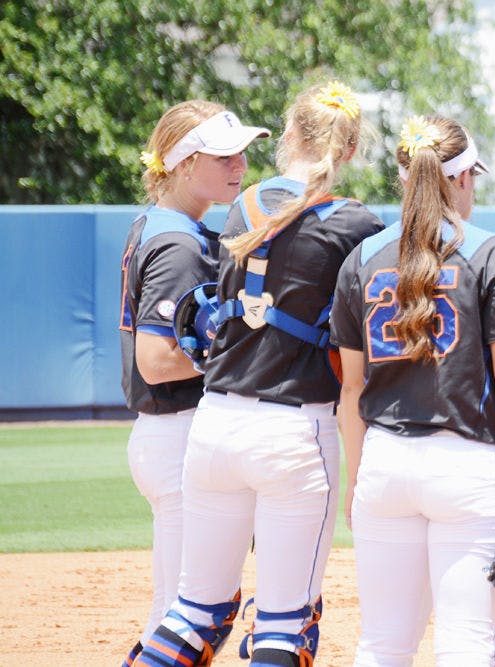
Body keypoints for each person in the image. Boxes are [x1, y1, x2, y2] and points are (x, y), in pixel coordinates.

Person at [134, 80, 384, 667]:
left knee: (194, 611)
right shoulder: (357, 224)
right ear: (347, 151)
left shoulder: (240, 207)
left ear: (290, 134)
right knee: (284, 621)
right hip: (294, 430)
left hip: (215, 421)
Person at [329, 115, 495, 667]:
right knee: (466, 640)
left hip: (384, 463)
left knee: (383, 641)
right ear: (459, 179)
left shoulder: (363, 257)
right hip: (468, 465)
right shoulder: (488, 251)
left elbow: (352, 390)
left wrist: (357, 476)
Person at [118, 100, 269, 666]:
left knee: (189, 606)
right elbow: (156, 361)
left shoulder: (162, 224)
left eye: (243, 153)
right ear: (182, 164)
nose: (240, 165)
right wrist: (245, 356)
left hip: (172, 434)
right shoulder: (179, 242)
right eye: (223, 155)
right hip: (176, 431)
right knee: (187, 611)